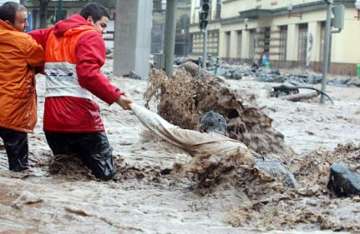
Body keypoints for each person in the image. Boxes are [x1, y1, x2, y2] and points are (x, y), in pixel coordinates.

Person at [30, 3, 132, 180]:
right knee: (106, 178)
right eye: (102, 25)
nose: (103, 32)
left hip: (52, 124)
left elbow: (20, 41)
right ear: (90, 20)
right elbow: (88, 75)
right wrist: (117, 97)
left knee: (63, 177)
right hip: (82, 121)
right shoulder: (90, 36)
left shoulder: (50, 34)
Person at [0, 2, 44, 172]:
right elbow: (40, 61)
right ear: (8, 23)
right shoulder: (24, 40)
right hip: (13, 112)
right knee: (19, 170)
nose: (26, 25)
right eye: (23, 22)